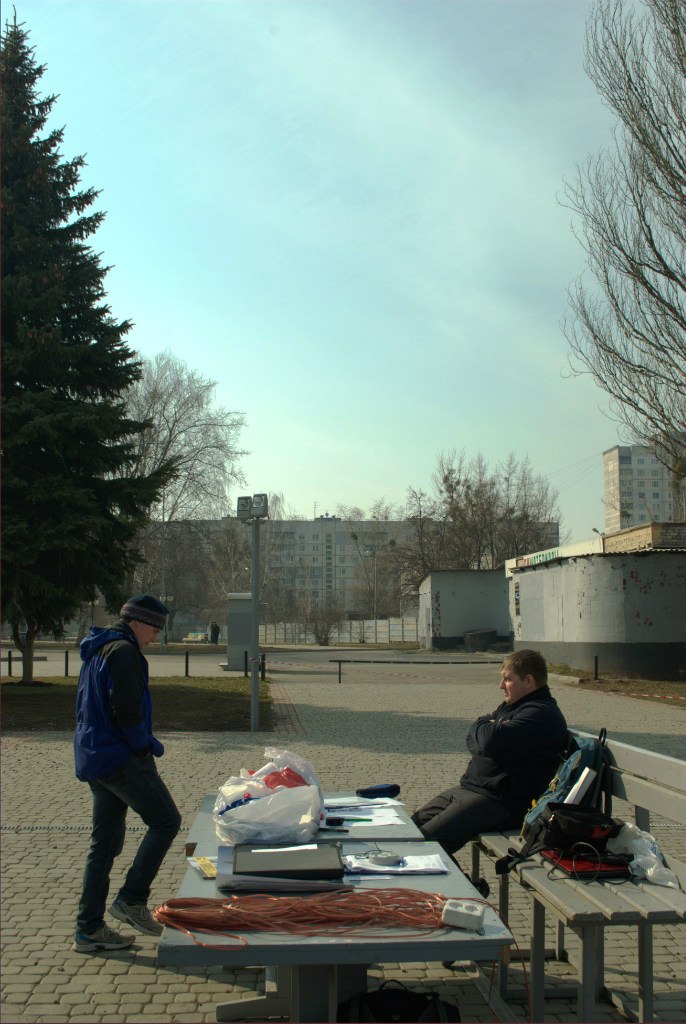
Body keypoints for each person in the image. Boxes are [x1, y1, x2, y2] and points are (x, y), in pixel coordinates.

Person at [73, 594, 182, 953]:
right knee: (166, 821)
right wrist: (144, 747)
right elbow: (127, 710)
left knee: (102, 846)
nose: (155, 637)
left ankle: (89, 929)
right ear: (138, 622)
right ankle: (131, 900)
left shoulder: (99, 648)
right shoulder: (124, 653)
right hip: (120, 758)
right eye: (154, 628)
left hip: (95, 757)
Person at [411, 649, 568, 856]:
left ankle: (463, 888)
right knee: (410, 827)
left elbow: (489, 740)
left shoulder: (539, 713)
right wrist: (486, 730)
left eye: (507, 679)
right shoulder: (511, 707)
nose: (501, 685)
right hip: (471, 790)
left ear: (529, 681)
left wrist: (487, 733)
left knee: (426, 845)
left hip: (500, 802)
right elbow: (477, 733)